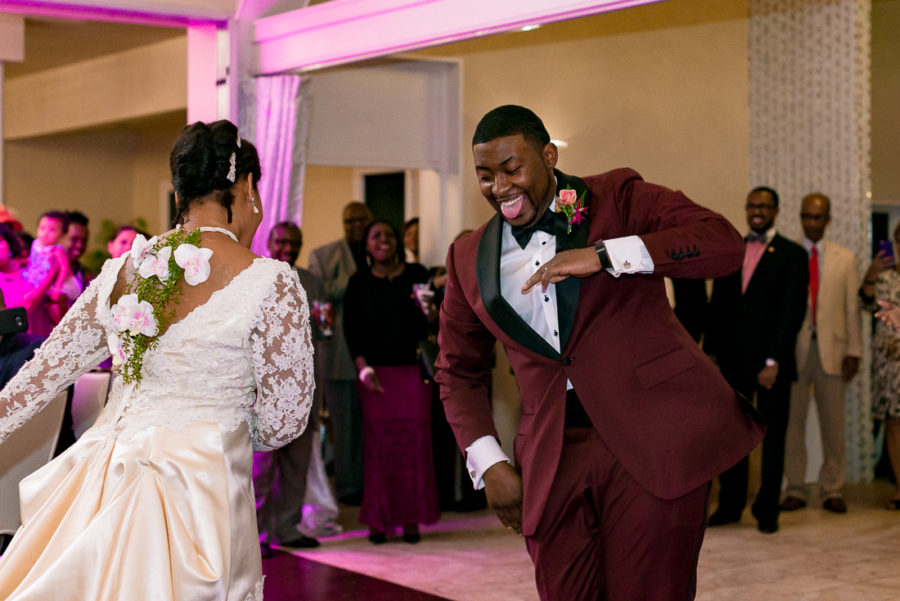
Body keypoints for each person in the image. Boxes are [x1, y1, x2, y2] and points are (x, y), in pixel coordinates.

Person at [435, 105, 764, 601]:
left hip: (649, 440)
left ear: (549, 156)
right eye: (485, 176)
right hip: (551, 456)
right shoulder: (468, 256)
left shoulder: (616, 198)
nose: (499, 188)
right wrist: (489, 460)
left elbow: (721, 243)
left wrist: (607, 255)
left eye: (511, 169)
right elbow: (458, 370)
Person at [0, 119, 315, 600]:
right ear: (247, 185)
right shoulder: (270, 281)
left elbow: (39, 378)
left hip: (103, 484)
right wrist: (225, 415)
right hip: (198, 495)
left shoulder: (122, 270)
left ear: (180, 191)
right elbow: (282, 423)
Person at [705, 186, 809, 534]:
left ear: (776, 210)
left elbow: (791, 313)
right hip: (732, 363)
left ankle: (767, 509)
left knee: (774, 435)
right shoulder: (732, 249)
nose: (757, 211)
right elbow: (718, 306)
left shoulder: (792, 254)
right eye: (752, 205)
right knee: (733, 435)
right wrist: (713, 355)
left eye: (764, 206)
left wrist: (773, 360)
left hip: (771, 365)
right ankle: (731, 505)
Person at [344, 220, 440, 544]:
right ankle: (379, 520)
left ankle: (410, 519)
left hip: (413, 371)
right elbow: (352, 330)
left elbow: (432, 321)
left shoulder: (417, 274)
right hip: (376, 375)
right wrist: (362, 366)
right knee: (379, 447)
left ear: (397, 241)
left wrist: (430, 311)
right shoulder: (358, 282)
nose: (383, 240)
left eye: (388, 235)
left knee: (414, 445)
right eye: (376, 236)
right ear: (367, 245)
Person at [781, 193, 861, 514]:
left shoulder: (845, 258)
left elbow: (852, 309)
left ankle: (832, 488)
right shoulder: (787, 254)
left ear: (827, 220)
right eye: (806, 216)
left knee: (833, 424)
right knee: (792, 424)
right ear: (800, 217)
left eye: (818, 217)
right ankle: (796, 487)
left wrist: (854, 350)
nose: (811, 223)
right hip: (794, 351)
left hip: (834, 351)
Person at [253, 221, 325, 554]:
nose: (287, 248)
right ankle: (255, 534)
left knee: (297, 465)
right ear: (269, 242)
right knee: (262, 469)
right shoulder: (253, 278)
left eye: (294, 243)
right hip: (266, 387)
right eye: (281, 241)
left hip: (303, 388)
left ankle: (287, 528)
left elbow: (323, 335)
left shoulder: (311, 282)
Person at [307, 201, 373, 505]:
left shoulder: (379, 246)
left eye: (361, 220)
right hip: (339, 356)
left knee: (372, 426)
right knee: (344, 426)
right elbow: (320, 293)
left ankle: (375, 485)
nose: (355, 227)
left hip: (376, 355)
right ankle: (348, 488)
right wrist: (361, 279)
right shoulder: (324, 255)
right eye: (349, 222)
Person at [860, 224, 900, 510]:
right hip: (889, 364)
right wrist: (870, 274)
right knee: (893, 423)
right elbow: (865, 302)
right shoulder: (886, 277)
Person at [0, 224, 55, 336]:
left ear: (9, 243)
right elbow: (24, 307)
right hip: (25, 347)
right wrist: (51, 275)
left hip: (46, 337)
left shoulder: (28, 269)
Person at [58, 211, 91, 306]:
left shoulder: (85, 275)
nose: (79, 245)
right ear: (60, 237)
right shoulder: (46, 271)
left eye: (84, 240)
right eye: (74, 239)